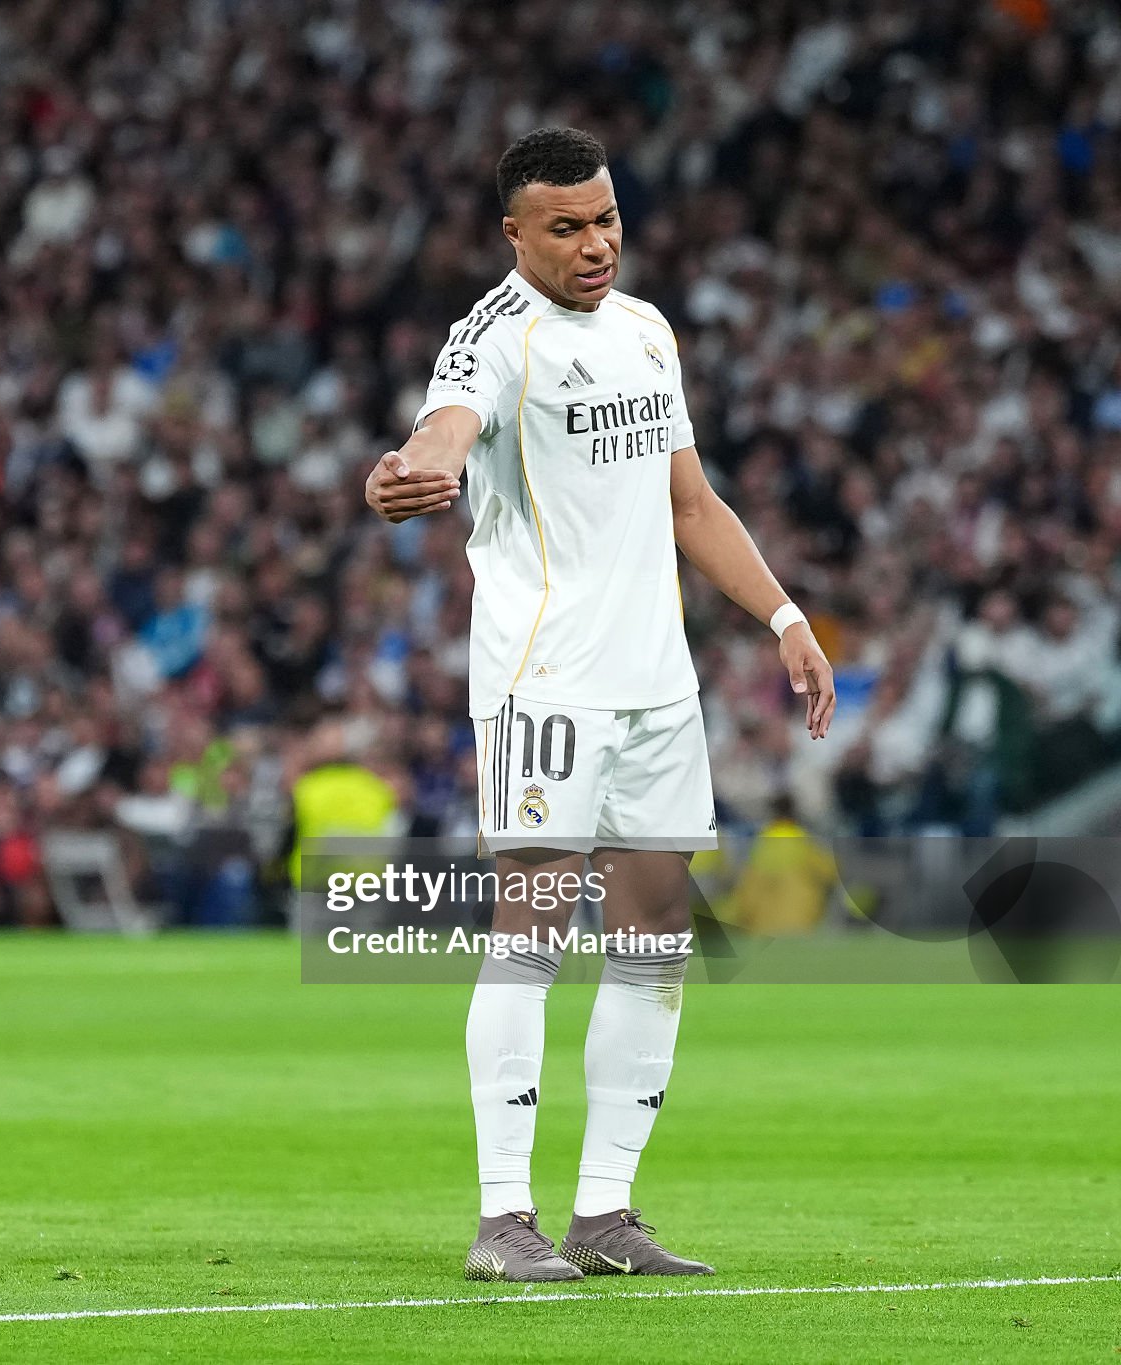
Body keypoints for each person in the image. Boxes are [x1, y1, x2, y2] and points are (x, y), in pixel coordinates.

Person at [365, 127, 836, 1281]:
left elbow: (690, 505)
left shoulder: (644, 332)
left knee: (653, 946)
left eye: (606, 218)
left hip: (655, 686)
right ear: (513, 234)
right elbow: (445, 426)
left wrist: (782, 617)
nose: (595, 244)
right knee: (529, 938)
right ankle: (501, 1221)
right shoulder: (492, 337)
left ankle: (603, 1215)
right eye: (566, 227)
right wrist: (415, 468)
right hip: (546, 683)